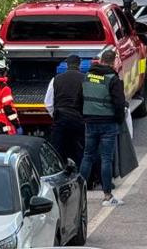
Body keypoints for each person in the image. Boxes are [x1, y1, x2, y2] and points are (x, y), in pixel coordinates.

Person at [80, 50, 128, 206]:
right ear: (114, 61)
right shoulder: (113, 79)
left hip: (90, 121)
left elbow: (80, 98)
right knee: (106, 159)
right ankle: (107, 195)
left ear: (100, 61)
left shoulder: (87, 76)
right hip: (108, 122)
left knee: (87, 156)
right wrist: (120, 120)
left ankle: (79, 192)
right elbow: (119, 103)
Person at [45, 54, 85, 166]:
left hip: (60, 118)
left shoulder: (56, 79)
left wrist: (55, 115)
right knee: (80, 149)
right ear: (79, 65)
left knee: (57, 149)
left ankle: (60, 172)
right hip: (78, 119)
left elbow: (48, 103)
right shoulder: (85, 79)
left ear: (67, 65)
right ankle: (82, 176)